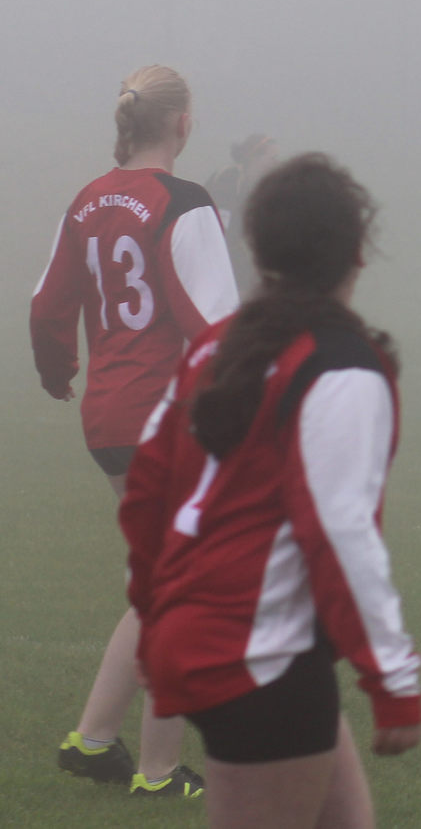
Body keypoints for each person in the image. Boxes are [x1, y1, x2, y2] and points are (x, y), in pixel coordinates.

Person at [120, 153, 421, 829]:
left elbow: (146, 493)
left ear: (258, 249)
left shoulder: (216, 347)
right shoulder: (342, 366)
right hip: (255, 657)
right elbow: (341, 531)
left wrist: (154, 621)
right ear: (358, 253)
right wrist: (393, 681)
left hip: (218, 640)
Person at [30, 64, 239, 796]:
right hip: (164, 415)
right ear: (183, 124)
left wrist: (58, 373)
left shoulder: (87, 200)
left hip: (109, 414)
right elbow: (214, 328)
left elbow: (46, 304)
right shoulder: (184, 203)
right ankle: (155, 771)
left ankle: (92, 742)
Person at [206, 132, 279, 288]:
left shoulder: (264, 188)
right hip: (220, 265)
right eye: (272, 158)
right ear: (254, 157)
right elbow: (223, 232)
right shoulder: (227, 180)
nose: (276, 163)